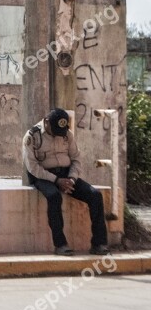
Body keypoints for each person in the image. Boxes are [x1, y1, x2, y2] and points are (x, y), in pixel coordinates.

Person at [23, 108, 109, 256]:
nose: (59, 134)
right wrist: (56, 180)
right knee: (54, 196)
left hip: (66, 175)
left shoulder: (67, 134)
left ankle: (99, 243)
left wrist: (71, 179)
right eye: (56, 130)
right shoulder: (33, 135)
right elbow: (32, 167)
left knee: (95, 195)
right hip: (43, 176)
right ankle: (60, 245)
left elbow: (76, 159)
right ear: (47, 122)